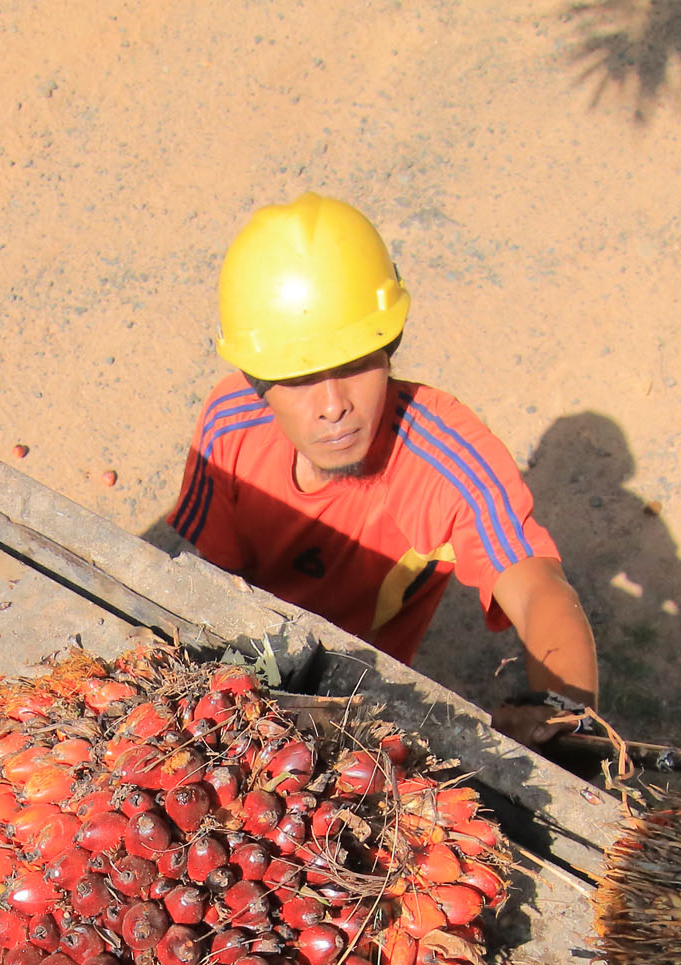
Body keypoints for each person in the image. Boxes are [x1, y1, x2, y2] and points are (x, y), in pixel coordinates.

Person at [160, 194, 598, 745]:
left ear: (389, 349)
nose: (333, 405)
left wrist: (563, 713)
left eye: (356, 365)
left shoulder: (446, 456)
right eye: (299, 380)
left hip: (364, 692)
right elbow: (216, 584)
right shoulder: (229, 427)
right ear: (257, 382)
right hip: (250, 657)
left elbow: (537, 588)